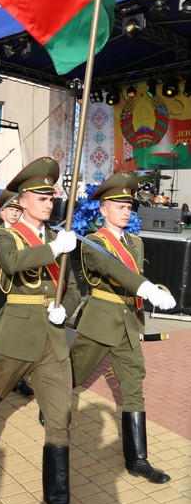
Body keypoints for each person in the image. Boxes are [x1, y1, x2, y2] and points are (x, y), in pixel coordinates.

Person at [0, 157, 94, 504]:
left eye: (51, 197)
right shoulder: (8, 236)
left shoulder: (59, 237)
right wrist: (53, 248)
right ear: (22, 201)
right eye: (41, 197)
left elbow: (73, 287)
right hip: (17, 337)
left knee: (60, 417)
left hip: (52, 339)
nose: (49, 202)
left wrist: (64, 309)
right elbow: (11, 262)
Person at [70, 171, 177, 484]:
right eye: (119, 206)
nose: (126, 211)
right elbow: (112, 268)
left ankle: (138, 460)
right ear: (103, 210)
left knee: (133, 386)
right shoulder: (93, 242)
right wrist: (146, 288)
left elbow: (133, 277)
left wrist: (149, 291)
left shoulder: (136, 242)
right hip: (100, 322)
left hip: (129, 323)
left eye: (129, 206)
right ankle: (53, 407)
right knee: (73, 375)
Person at [0, 190, 34, 399]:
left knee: (15, 338)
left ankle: (16, 380)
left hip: (18, 289)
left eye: (18, 210)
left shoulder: (27, 234)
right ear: (2, 212)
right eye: (10, 209)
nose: (14, 213)